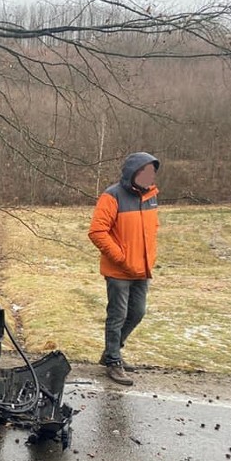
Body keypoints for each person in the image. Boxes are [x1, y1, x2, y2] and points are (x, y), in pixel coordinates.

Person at [88, 152, 160, 386]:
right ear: (133, 173)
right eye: (145, 171)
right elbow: (97, 232)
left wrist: (149, 258)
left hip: (142, 269)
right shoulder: (112, 196)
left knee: (137, 312)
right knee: (117, 315)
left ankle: (112, 351)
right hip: (119, 270)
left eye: (152, 171)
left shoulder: (151, 196)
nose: (150, 176)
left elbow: (150, 231)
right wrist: (120, 257)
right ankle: (113, 360)